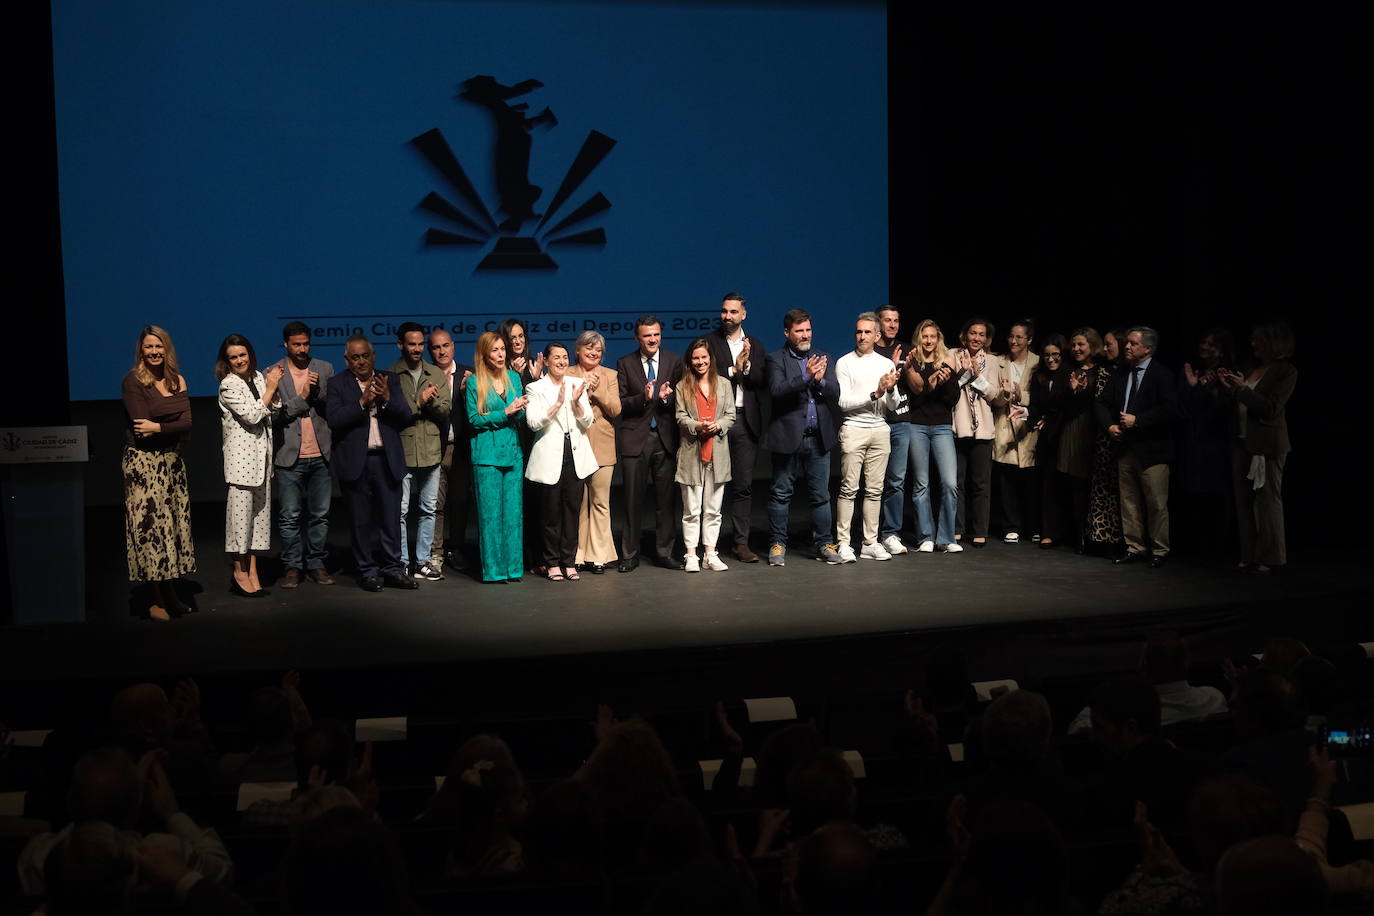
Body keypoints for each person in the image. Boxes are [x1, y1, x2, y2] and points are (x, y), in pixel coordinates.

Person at [325, 335, 417, 591]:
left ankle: (393, 569)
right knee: (360, 521)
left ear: (373, 356)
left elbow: (405, 417)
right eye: (355, 357)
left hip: (387, 461)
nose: (361, 361)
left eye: (365, 356)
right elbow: (334, 419)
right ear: (347, 360)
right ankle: (367, 571)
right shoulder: (337, 384)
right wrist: (361, 403)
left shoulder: (390, 379)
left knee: (390, 519)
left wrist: (387, 398)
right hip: (357, 463)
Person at [121, 326, 196, 620]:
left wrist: (160, 426)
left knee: (172, 530)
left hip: (171, 462)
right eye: (148, 347)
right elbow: (142, 426)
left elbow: (188, 422)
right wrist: (167, 421)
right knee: (151, 531)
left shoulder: (177, 380)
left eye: (159, 346)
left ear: (167, 349)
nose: (154, 352)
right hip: (143, 464)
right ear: (141, 351)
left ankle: (170, 593)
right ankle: (155, 600)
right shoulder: (133, 381)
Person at [763, 309, 842, 566]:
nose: (805, 335)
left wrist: (819, 381)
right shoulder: (776, 359)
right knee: (781, 493)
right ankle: (777, 543)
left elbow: (835, 392)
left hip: (817, 437)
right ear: (787, 333)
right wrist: (806, 376)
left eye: (808, 329)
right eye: (799, 330)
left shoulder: (823, 357)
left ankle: (824, 543)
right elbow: (777, 390)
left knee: (820, 495)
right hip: (788, 437)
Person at [1218, 320, 1296, 573]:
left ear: (1273, 343)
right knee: (1244, 502)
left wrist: (1242, 390)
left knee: (1267, 501)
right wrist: (1231, 388)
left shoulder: (1285, 371)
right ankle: (1248, 554)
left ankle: (1271, 557)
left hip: (1268, 445)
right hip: (1242, 442)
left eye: (1258, 339)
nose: (1253, 344)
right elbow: (1243, 401)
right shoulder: (1253, 369)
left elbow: (1271, 408)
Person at [1097, 326, 1176, 568]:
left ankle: (1159, 550)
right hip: (1125, 448)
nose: (1127, 347)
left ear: (1147, 348)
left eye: (1132, 343)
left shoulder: (1162, 375)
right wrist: (1110, 427)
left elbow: (1171, 410)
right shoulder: (1122, 373)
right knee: (1129, 501)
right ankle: (1135, 547)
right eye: (1128, 342)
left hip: (1152, 451)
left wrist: (1138, 421)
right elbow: (1101, 403)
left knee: (1155, 503)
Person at [215, 334, 283, 598]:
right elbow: (253, 415)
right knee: (239, 522)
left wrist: (271, 389)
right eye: (233, 357)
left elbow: (273, 410)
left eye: (242, 355)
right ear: (227, 361)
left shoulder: (257, 377)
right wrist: (271, 388)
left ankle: (252, 568)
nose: (239, 360)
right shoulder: (228, 385)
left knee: (258, 521)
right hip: (241, 463)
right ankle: (239, 570)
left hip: (262, 461)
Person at [615, 316, 683, 571]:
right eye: (647, 336)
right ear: (637, 338)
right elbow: (621, 403)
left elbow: (680, 399)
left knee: (666, 502)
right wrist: (644, 398)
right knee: (632, 500)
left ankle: (664, 552)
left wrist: (665, 399)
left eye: (656, 334)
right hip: (636, 439)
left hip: (665, 439)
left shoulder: (674, 361)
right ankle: (630, 554)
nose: (653, 339)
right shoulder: (625, 363)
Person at [834, 312, 903, 562]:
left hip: (880, 429)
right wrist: (875, 394)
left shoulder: (886, 364)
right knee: (849, 488)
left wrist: (891, 387)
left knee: (875, 490)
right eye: (858, 332)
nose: (861, 336)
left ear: (877, 335)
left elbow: (893, 406)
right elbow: (843, 403)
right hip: (854, 429)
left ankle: (869, 542)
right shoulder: (844, 363)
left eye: (867, 332)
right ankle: (843, 543)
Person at [704, 293, 768, 563]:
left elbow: (761, 380)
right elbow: (702, 375)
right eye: (724, 311)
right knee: (711, 484)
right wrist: (734, 369)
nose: (727, 316)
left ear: (743, 315)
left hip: (744, 419)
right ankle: (708, 545)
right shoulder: (708, 343)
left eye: (733, 312)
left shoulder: (756, 345)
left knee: (743, 486)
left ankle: (740, 543)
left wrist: (747, 366)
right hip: (716, 420)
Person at [272, 321, 335, 588]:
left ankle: (317, 564)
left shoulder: (324, 368)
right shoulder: (274, 372)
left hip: (320, 453)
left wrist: (317, 393)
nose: (302, 349)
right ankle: (292, 567)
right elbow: (276, 416)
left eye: (305, 343)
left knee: (320, 514)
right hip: (290, 455)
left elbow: (333, 407)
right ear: (286, 344)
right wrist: (304, 397)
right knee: (290, 515)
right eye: (296, 344)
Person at [525, 343, 595, 581]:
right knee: (550, 513)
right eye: (557, 357)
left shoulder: (576, 384)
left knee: (572, 510)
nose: (562, 361)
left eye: (565, 357)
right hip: (549, 456)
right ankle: (551, 561)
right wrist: (555, 405)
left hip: (574, 454)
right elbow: (533, 423)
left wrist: (575, 403)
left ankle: (568, 560)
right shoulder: (535, 388)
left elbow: (588, 420)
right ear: (546, 361)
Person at [386, 322, 450, 581]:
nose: (417, 349)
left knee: (428, 509)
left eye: (420, 344)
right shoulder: (390, 374)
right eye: (411, 344)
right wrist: (418, 402)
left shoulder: (435, 373)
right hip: (402, 451)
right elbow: (390, 412)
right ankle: (402, 560)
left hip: (431, 452)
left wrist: (431, 402)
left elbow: (445, 409)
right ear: (400, 345)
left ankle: (422, 560)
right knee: (400, 511)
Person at [467, 330, 528, 583]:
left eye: (503, 349)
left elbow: (521, 416)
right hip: (487, 455)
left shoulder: (514, 377)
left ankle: (513, 569)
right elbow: (473, 419)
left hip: (512, 453)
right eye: (495, 350)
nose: (501, 354)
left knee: (514, 515)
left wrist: (519, 410)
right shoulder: (474, 382)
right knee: (491, 516)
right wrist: (505, 412)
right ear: (484, 353)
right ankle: (493, 571)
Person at [675, 338, 736, 572]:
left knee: (713, 509)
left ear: (711, 359)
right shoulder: (683, 386)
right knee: (691, 509)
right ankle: (691, 555)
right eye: (696, 358)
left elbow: (730, 415)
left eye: (704, 357)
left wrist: (718, 425)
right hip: (692, 453)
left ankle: (710, 553)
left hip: (717, 453)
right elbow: (681, 417)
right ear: (690, 361)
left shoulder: (723, 384)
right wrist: (698, 425)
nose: (700, 362)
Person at [903, 320, 961, 553]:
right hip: (916, 426)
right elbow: (915, 398)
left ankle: (946, 538)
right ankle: (926, 536)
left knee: (949, 482)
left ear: (938, 340)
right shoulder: (912, 364)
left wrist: (944, 384)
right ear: (918, 339)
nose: (928, 341)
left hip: (941, 427)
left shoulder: (947, 363)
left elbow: (952, 400)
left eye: (932, 337)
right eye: (924, 337)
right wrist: (932, 383)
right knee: (921, 484)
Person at [567, 331, 621, 574]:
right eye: (589, 348)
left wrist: (597, 391)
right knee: (578, 502)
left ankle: (599, 556)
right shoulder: (567, 374)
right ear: (577, 350)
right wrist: (584, 392)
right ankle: (577, 554)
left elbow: (615, 409)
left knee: (600, 501)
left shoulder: (610, 375)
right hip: (576, 444)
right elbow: (565, 407)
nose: (594, 352)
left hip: (602, 445)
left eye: (598, 350)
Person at [949, 317, 1002, 547]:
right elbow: (949, 389)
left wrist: (977, 378)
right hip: (958, 427)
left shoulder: (992, 361)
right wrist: (963, 374)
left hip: (983, 429)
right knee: (957, 482)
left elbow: (996, 396)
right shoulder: (951, 355)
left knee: (981, 483)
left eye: (981, 334)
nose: (977, 338)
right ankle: (957, 528)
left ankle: (980, 530)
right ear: (964, 335)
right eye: (973, 333)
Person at [427, 329, 474, 573]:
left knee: (459, 503)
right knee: (436, 505)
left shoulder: (469, 374)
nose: (442, 351)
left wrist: (467, 393)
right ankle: (435, 552)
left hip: (462, 450)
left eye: (446, 345)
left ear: (453, 346)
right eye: (436, 347)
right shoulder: (426, 375)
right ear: (430, 350)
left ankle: (456, 549)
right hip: (435, 449)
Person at [990, 319, 1040, 543]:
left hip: (1030, 428)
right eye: (1011, 336)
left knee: (1031, 482)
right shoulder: (999, 362)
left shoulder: (1038, 362)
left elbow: (1043, 397)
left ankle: (1033, 525)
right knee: (1007, 480)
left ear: (1029, 339)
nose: (1014, 341)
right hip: (1004, 425)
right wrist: (1007, 395)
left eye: (1019, 337)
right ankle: (1011, 526)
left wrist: (1022, 398)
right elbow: (992, 396)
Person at [500, 318, 544, 571]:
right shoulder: (498, 369)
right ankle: (515, 556)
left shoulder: (531, 366)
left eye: (520, 337)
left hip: (531, 442)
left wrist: (536, 379)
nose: (517, 342)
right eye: (512, 337)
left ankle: (536, 557)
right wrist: (515, 376)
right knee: (514, 503)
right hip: (509, 441)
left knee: (534, 501)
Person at [874, 304, 918, 556]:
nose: (892, 325)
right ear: (878, 323)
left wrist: (908, 368)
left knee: (897, 481)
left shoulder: (908, 350)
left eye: (896, 320)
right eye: (888, 320)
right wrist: (888, 368)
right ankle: (869, 534)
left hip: (902, 421)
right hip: (878, 421)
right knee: (873, 482)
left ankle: (891, 533)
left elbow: (918, 388)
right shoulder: (870, 350)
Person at [1026, 334, 1069, 548]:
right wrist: (1028, 415)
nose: (1050, 359)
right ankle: (1047, 531)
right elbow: (1035, 405)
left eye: (1055, 355)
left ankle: (1070, 532)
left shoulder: (1070, 374)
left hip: (1066, 434)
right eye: (1046, 355)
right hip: (1047, 438)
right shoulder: (1039, 376)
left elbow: (1068, 407)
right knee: (1047, 485)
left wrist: (1049, 419)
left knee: (1068, 484)